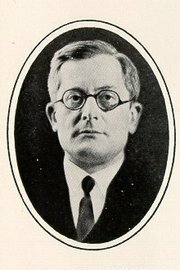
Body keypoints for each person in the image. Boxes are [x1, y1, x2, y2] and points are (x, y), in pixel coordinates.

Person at [44, 40, 152, 243]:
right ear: (54, 116)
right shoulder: (21, 195)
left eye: (107, 98)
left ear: (132, 116)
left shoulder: (158, 197)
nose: (89, 113)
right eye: (75, 98)